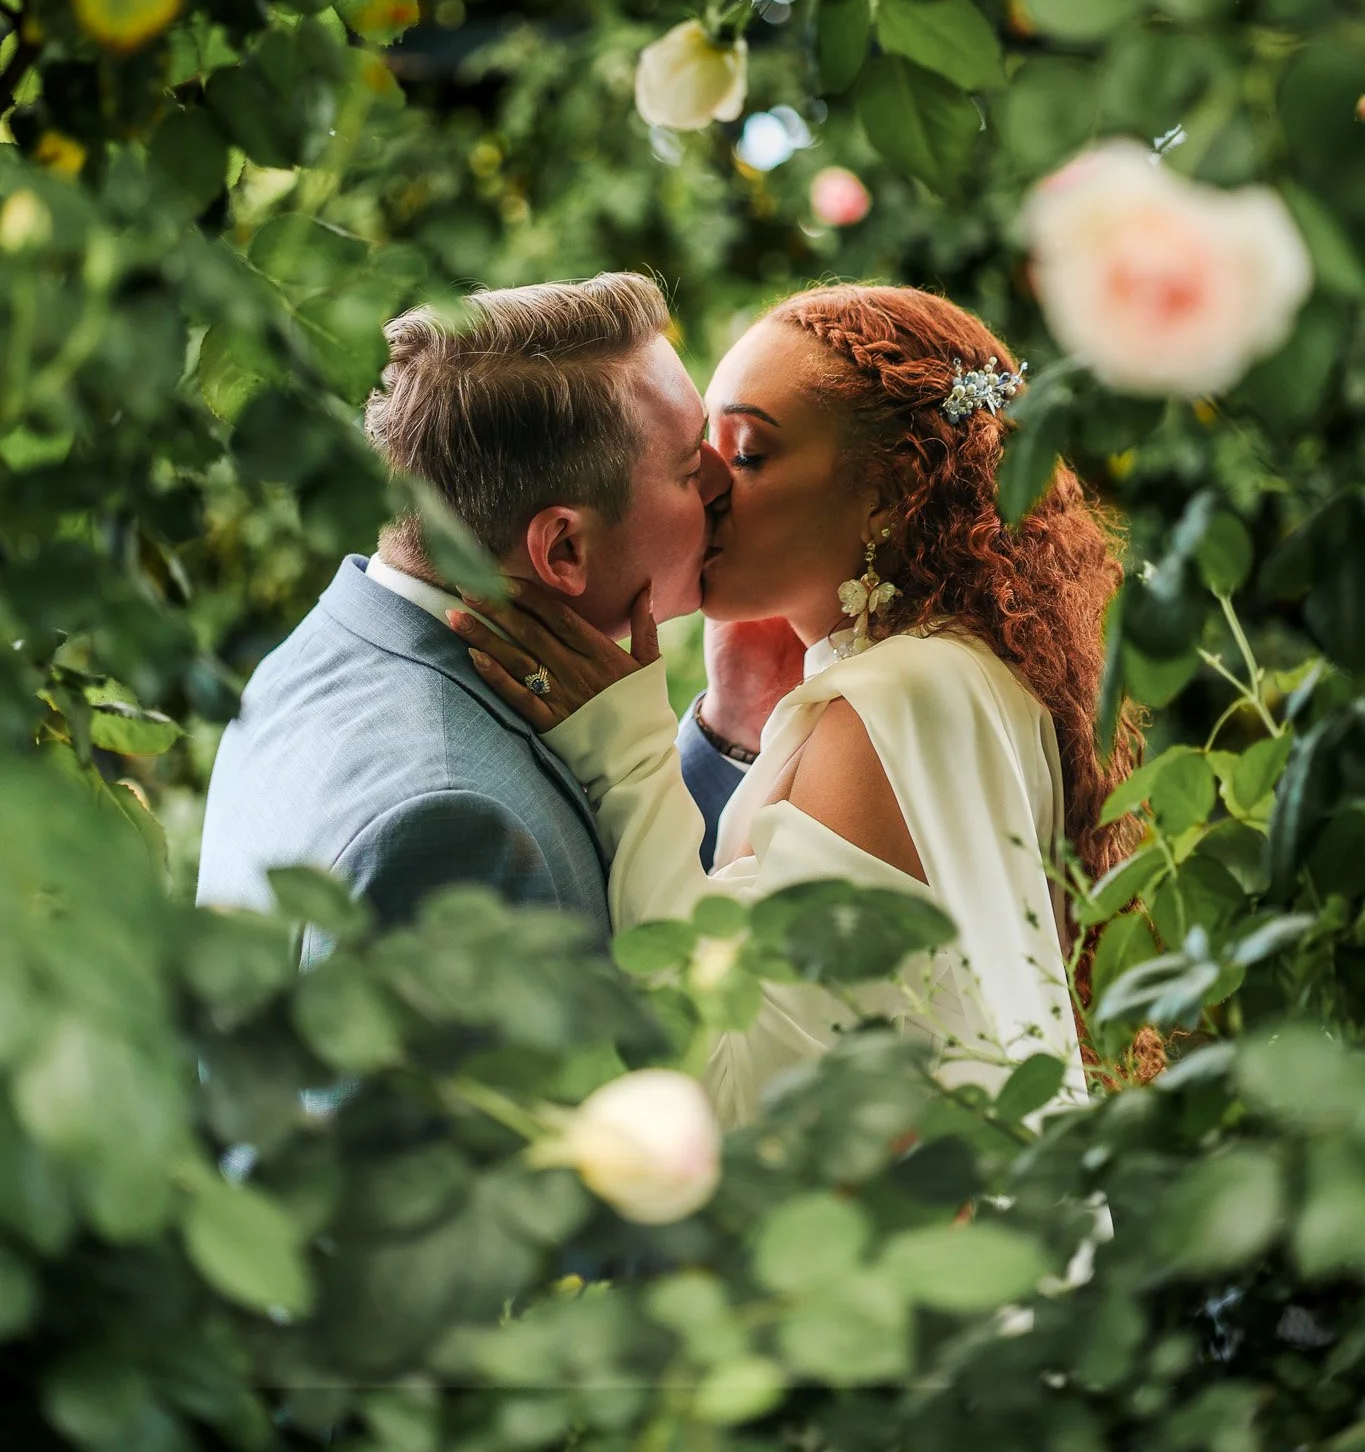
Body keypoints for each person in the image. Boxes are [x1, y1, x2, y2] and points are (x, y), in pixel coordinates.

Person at [449, 285, 1141, 1127]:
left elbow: (742, 1108)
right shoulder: (950, 679)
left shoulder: (888, 704)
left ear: (888, 492)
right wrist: (736, 722)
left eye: (746, 455)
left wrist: (625, 751)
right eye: (701, 447)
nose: (704, 484)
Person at [196, 273, 731, 957]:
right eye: (690, 466)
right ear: (563, 549)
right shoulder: (451, 828)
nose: (724, 480)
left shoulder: (305, 660)